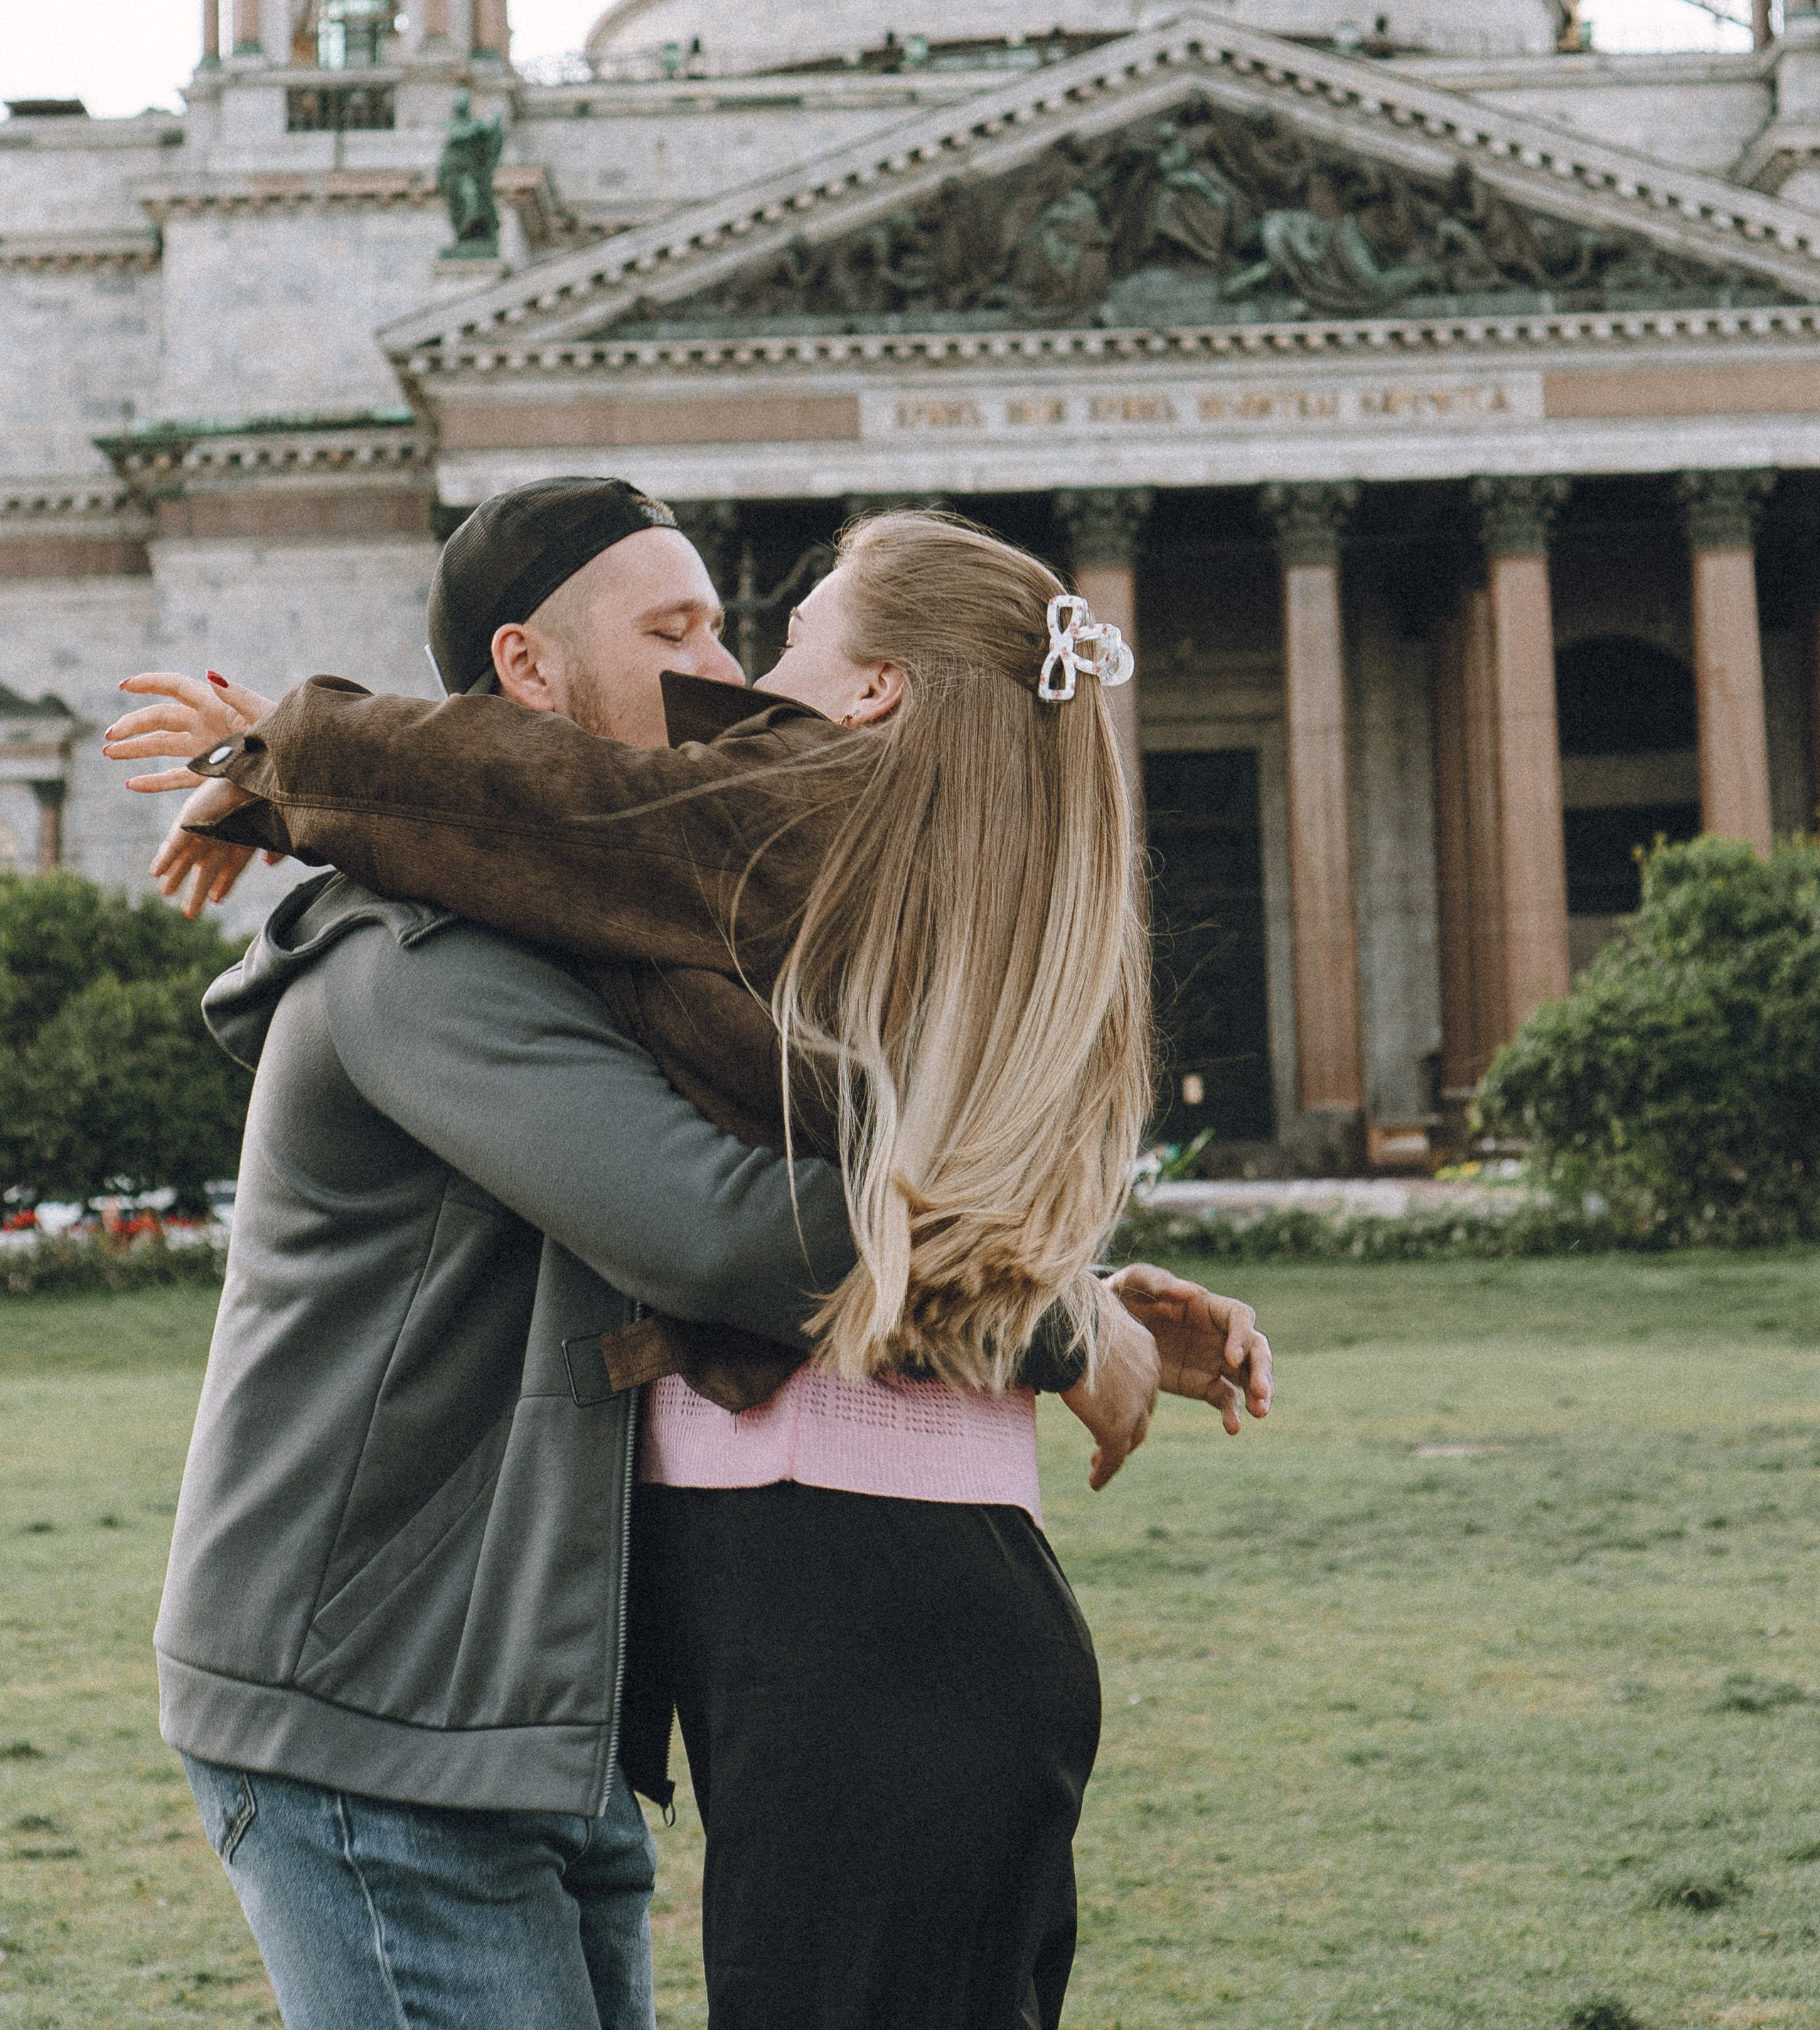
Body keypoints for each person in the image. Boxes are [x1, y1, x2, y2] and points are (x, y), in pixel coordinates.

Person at [107, 483, 1268, 2030]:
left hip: (534, 1697)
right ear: (526, 674)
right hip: (373, 1718)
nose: (726, 672)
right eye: (679, 632)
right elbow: (731, 1231)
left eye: (740, 624)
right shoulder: (421, 964)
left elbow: (838, 1164)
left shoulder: (622, 933)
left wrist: (1074, 1289)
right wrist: (1070, 1335)